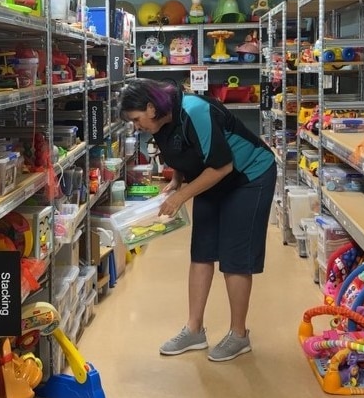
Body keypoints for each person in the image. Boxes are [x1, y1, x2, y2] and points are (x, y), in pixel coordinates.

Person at [118, 78, 277, 362]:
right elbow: (180, 152)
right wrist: (177, 181)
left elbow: (222, 165)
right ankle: (194, 330)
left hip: (248, 176)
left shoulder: (194, 110)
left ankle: (239, 335)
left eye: (136, 119)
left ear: (151, 108)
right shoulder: (159, 122)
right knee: (201, 252)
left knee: (235, 256)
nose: (136, 126)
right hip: (210, 178)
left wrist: (180, 198)